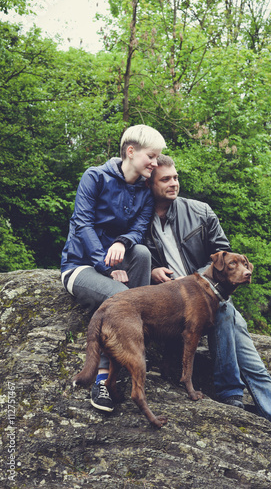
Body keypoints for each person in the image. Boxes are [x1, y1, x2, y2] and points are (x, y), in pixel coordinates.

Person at [145, 154, 271, 463]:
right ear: (149, 183)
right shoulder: (138, 218)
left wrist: (200, 283)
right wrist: (152, 270)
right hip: (173, 308)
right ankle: (232, 395)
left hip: (212, 300)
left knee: (252, 362)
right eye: (165, 179)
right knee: (229, 318)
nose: (174, 183)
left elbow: (224, 255)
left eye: (176, 177)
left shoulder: (199, 211)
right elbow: (129, 257)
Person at [61, 124, 166, 412]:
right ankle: (103, 380)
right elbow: (82, 225)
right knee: (122, 301)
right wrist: (106, 268)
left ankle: (134, 342)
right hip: (79, 266)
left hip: (117, 262)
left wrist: (122, 242)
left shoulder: (144, 192)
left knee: (142, 253)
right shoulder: (94, 177)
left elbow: (139, 229)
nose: (155, 164)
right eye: (152, 156)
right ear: (131, 152)